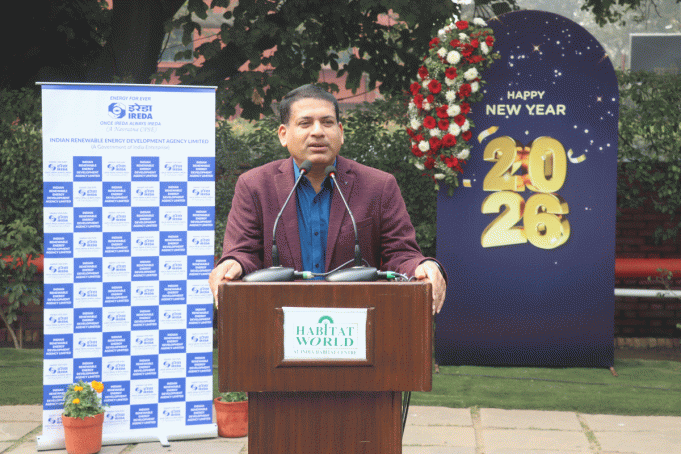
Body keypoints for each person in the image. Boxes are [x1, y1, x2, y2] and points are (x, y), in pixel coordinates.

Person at [208, 84, 446, 314]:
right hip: (278, 321)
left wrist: (423, 266)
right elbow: (243, 253)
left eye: (327, 122)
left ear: (340, 133)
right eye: (305, 123)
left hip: (356, 323)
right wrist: (233, 264)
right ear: (283, 135)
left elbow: (401, 255)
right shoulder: (255, 186)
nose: (318, 132)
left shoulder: (379, 186)